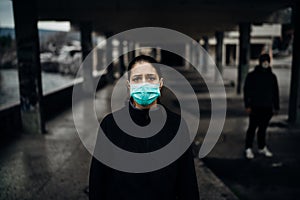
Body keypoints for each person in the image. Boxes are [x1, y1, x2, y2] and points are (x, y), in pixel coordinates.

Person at [89, 55, 200, 200]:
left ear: (160, 83)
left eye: (150, 78)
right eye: (137, 79)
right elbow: (98, 183)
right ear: (129, 85)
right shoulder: (110, 126)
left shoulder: (177, 126)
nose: (144, 84)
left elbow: (188, 183)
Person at [243, 53, 280, 159]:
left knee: (263, 129)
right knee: (252, 128)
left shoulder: (272, 77)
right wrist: (247, 105)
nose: (266, 63)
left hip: (267, 107)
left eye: (267, 61)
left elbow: (275, 92)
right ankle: (248, 148)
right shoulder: (252, 75)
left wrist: (276, 107)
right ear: (260, 62)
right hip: (255, 106)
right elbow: (247, 91)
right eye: (264, 61)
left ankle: (261, 147)